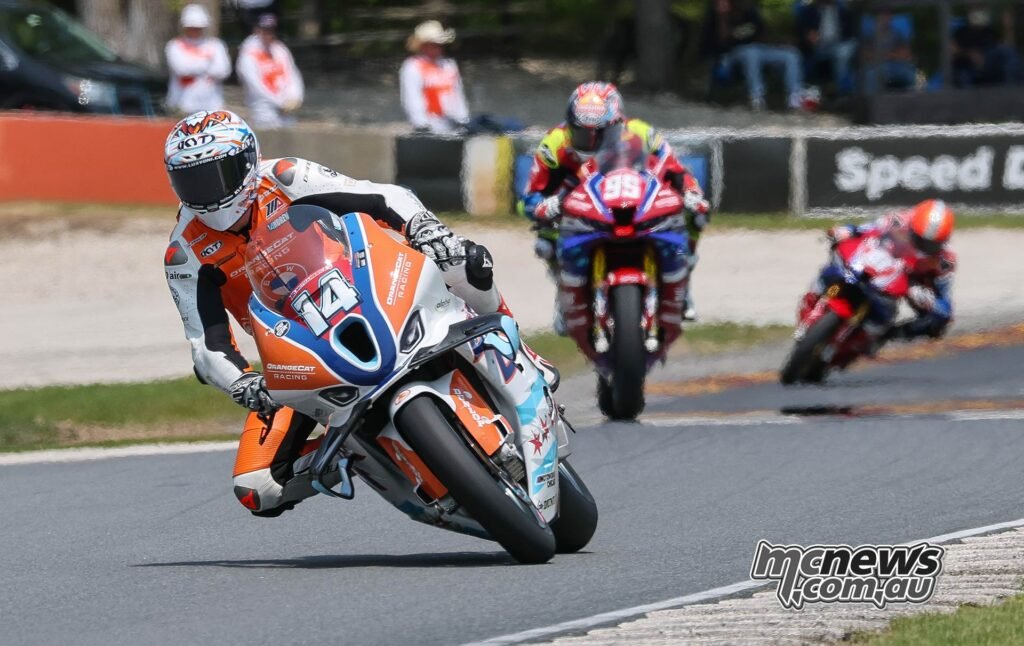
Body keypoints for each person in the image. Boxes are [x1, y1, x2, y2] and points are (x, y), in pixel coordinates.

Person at [163, 110, 558, 517]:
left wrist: (426, 229)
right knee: (256, 485)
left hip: (372, 287)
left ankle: (520, 352)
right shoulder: (184, 252)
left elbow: (382, 196)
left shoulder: (284, 175)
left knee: (463, 260)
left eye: (219, 174)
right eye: (190, 180)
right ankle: (362, 455)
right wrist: (244, 384)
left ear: (248, 161)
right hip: (302, 348)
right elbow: (205, 346)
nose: (208, 193)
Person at [518, 82, 710, 329]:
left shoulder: (642, 132)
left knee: (695, 216)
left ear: (617, 124)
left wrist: (691, 194)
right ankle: (566, 294)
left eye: (600, 134)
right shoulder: (554, 144)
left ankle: (683, 277)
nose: (591, 142)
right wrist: (545, 206)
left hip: (633, 203)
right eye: (582, 133)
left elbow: (677, 171)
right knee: (545, 241)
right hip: (577, 212)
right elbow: (528, 197)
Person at [804, 199, 955, 348]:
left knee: (939, 322)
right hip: (882, 265)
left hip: (907, 286)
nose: (924, 246)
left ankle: (886, 335)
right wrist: (846, 231)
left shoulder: (944, 262)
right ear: (912, 227)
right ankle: (822, 296)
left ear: (943, 241)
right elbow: (865, 229)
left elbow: (944, 305)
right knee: (840, 272)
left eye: (931, 244)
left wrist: (928, 299)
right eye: (920, 239)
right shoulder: (897, 221)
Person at [702, 0, 806, 111]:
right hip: (732, 55)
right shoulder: (715, 18)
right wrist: (722, 18)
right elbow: (719, 45)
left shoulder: (751, 13)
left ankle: (794, 98)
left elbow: (763, 35)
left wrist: (780, 43)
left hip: (759, 49)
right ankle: (756, 96)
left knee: (791, 54)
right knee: (751, 51)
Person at [400, 20, 470, 134]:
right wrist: (421, 125)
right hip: (429, 127)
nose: (438, 48)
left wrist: (464, 121)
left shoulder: (449, 65)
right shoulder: (413, 66)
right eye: (434, 44)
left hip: (453, 126)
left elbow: (458, 95)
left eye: (440, 45)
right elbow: (412, 98)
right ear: (423, 46)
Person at [236, 14, 304, 129]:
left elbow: (292, 75)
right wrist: (279, 102)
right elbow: (255, 85)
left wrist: (295, 97)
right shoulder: (248, 53)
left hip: (286, 109)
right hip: (263, 109)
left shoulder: (280, 49)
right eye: (265, 29)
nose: (269, 33)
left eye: (271, 30)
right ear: (257, 30)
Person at [165, 4, 231, 115]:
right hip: (183, 105)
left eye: (198, 27)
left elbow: (223, 70)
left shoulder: (216, 45)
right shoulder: (175, 46)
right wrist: (206, 63)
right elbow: (181, 70)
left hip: (211, 105)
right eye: (191, 27)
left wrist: (193, 66)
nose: (195, 30)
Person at [795, 0, 857, 94]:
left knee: (842, 53)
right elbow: (801, 31)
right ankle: (838, 92)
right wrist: (808, 37)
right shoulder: (808, 11)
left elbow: (851, 33)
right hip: (819, 46)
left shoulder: (843, 10)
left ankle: (842, 90)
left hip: (841, 44)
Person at [952, 4, 1017, 88]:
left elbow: (1005, 48)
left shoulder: (989, 31)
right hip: (968, 67)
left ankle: (1012, 91)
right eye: (976, 9)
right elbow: (953, 51)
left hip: (989, 64)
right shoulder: (961, 32)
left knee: (1008, 54)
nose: (979, 12)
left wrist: (1008, 29)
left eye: (981, 8)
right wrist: (970, 54)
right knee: (963, 75)